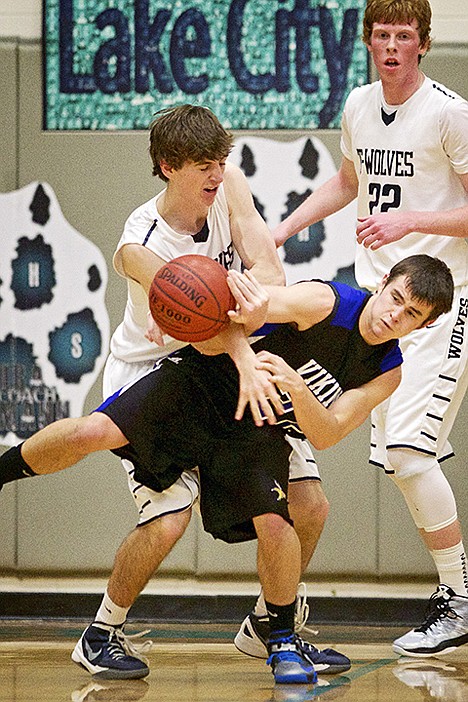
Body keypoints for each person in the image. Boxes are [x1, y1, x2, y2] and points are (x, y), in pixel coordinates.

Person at [0, 254, 454, 684]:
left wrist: (296, 388)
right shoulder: (324, 301)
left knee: (281, 522)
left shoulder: (388, 370)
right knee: (91, 434)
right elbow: (231, 316)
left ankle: (278, 639)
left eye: (412, 314)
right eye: (396, 297)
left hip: (257, 423)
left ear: (425, 324)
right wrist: (237, 318)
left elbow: (328, 431)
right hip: (201, 381)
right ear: (383, 284)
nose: (396, 315)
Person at [44, 103, 343, 678]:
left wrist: (250, 300)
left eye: (220, 159)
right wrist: (223, 314)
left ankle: (271, 627)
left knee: (309, 503)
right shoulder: (143, 237)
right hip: (156, 373)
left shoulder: (229, 185)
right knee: (169, 517)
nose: (216, 172)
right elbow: (152, 282)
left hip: (227, 364)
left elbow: (272, 274)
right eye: (203, 164)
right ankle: (101, 632)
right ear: (167, 166)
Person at [273, 0, 468, 658]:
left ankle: (460, 597)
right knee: (401, 460)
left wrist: (411, 220)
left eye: (403, 36)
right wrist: (282, 229)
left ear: (422, 43)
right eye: (381, 34)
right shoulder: (358, 105)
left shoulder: (449, 111)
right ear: (367, 41)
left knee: (410, 452)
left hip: (440, 304)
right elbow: (347, 182)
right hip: (374, 307)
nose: (391, 45)